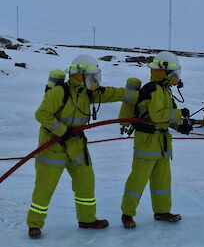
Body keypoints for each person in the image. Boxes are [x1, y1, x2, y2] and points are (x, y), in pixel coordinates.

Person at [27, 54, 139, 238]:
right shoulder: (59, 92)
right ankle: (34, 224)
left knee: (86, 182)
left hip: (76, 146)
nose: (95, 81)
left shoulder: (88, 93)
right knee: (45, 187)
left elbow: (113, 93)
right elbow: (42, 114)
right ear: (80, 75)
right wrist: (63, 131)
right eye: (92, 77)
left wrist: (137, 95)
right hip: (53, 147)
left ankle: (87, 219)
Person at [120, 51, 192, 229]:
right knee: (138, 180)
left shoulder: (165, 90)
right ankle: (127, 214)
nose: (176, 77)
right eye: (174, 73)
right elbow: (157, 115)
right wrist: (179, 113)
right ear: (165, 72)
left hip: (162, 143)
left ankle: (162, 211)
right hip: (147, 142)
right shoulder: (152, 89)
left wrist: (180, 125)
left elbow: (167, 118)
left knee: (163, 180)